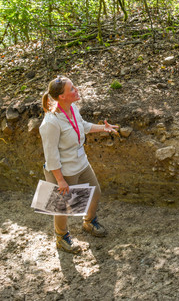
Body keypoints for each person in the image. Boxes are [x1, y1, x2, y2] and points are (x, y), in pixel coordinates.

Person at [40, 76, 119, 254]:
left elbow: (81, 126)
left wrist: (102, 128)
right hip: (62, 170)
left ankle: (89, 222)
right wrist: (60, 180)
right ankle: (61, 237)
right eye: (72, 89)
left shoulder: (72, 108)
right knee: (63, 207)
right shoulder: (50, 122)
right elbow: (51, 155)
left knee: (95, 192)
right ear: (62, 97)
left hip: (81, 162)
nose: (77, 90)